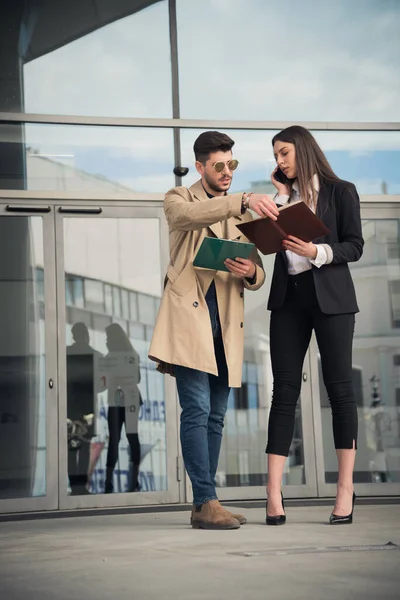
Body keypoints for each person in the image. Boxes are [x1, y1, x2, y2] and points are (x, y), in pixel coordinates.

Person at [149, 131, 278, 529]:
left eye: (232, 165)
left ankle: (206, 503)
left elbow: (257, 269)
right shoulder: (179, 198)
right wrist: (240, 201)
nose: (226, 172)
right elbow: (183, 219)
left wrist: (252, 271)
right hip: (190, 322)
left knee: (217, 416)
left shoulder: (241, 214)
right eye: (218, 166)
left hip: (225, 324)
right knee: (198, 409)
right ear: (201, 167)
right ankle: (205, 500)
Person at [265, 125, 364, 526]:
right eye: (275, 155)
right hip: (289, 299)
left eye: (284, 153)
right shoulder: (282, 197)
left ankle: (344, 487)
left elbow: (355, 245)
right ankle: (273, 491)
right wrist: (282, 200)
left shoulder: (342, 191)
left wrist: (317, 250)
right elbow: (273, 246)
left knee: (339, 390)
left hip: (332, 299)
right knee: (283, 391)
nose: (279, 161)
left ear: (303, 151)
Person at [103, 323, 142, 494]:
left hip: (123, 399)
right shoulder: (130, 354)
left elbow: (105, 381)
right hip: (127, 397)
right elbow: (137, 378)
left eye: (108, 337)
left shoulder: (112, 357)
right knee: (130, 437)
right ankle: (132, 481)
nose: (106, 341)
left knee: (117, 438)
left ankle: (110, 481)